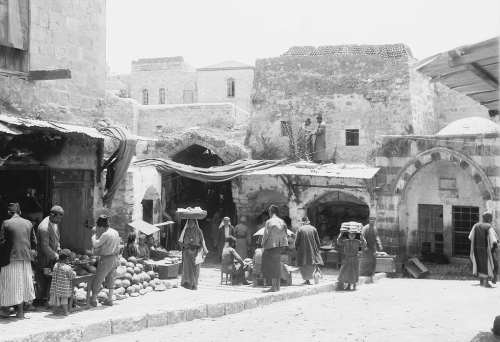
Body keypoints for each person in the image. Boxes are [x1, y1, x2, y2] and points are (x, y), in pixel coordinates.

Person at [0, 203, 37, 319]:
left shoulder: (6, 223)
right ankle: (20, 312)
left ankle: (6, 311)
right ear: (20, 212)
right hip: (25, 258)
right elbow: (34, 242)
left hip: (10, 258)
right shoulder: (28, 223)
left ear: (8, 212)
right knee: (22, 284)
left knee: (8, 284)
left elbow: (1, 242)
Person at [35, 205, 64, 302]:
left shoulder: (54, 222)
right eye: (58, 218)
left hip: (51, 254)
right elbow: (45, 246)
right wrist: (56, 256)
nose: (59, 221)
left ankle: (46, 298)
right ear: (52, 215)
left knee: (49, 276)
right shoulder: (44, 227)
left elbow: (57, 237)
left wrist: (58, 246)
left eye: (60, 218)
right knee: (42, 276)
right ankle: (38, 299)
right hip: (43, 255)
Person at [90, 215, 120, 307]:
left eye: (99, 227)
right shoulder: (115, 232)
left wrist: (93, 236)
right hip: (114, 257)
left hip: (106, 258)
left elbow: (96, 244)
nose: (99, 229)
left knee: (98, 278)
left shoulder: (106, 234)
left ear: (102, 226)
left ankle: (93, 300)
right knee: (110, 278)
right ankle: (110, 299)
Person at [261, 204, 288, 292]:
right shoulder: (282, 221)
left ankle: (273, 287)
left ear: (270, 212)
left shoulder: (269, 221)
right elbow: (285, 233)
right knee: (277, 265)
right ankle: (278, 287)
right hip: (279, 246)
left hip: (271, 245)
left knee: (272, 266)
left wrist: (262, 243)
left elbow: (266, 234)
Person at [469, 211, 499, 287]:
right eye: (491, 218)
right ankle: (486, 281)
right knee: (489, 264)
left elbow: (470, 237)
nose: (491, 220)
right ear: (487, 218)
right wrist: (495, 248)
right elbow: (493, 240)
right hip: (486, 250)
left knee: (479, 263)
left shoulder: (475, 226)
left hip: (477, 249)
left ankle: (481, 280)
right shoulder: (488, 227)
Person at [178, 219, 208, 290]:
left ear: (195, 223)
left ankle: (194, 284)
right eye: (189, 222)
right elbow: (180, 241)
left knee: (195, 268)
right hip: (187, 252)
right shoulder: (185, 231)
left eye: (192, 222)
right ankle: (187, 283)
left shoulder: (199, 231)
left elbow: (202, 241)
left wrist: (202, 251)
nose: (191, 223)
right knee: (187, 267)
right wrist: (185, 246)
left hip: (196, 252)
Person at [295, 217, 323, 285]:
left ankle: (307, 280)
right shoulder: (313, 228)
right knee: (314, 263)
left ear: (302, 222)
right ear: (309, 221)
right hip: (313, 250)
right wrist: (318, 248)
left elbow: (297, 241)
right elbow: (317, 240)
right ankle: (316, 276)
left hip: (303, 250)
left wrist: (296, 248)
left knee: (304, 264)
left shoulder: (300, 229)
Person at [49, 249, 76, 316]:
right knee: (64, 300)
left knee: (56, 300)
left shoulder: (55, 265)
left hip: (56, 287)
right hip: (63, 288)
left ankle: (55, 311)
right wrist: (74, 272)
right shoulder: (67, 268)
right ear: (67, 259)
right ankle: (66, 312)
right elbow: (72, 276)